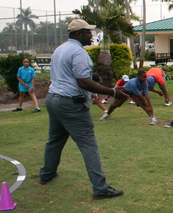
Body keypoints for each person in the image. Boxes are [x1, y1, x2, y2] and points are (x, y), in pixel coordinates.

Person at [39, 18, 126, 200]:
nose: (91, 35)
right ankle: (101, 188)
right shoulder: (79, 52)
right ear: (79, 34)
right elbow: (83, 82)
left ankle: (47, 174)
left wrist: (91, 74)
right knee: (88, 144)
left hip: (53, 100)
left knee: (54, 140)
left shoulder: (60, 49)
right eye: (88, 32)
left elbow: (69, 73)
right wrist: (112, 91)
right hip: (71, 103)